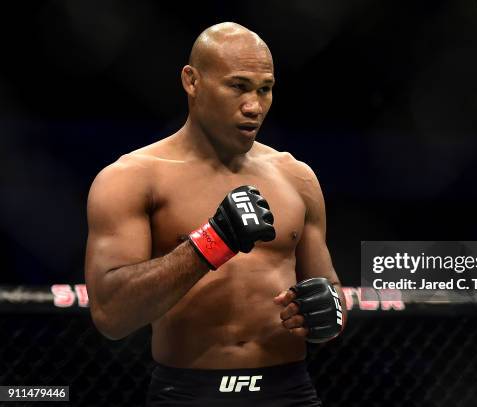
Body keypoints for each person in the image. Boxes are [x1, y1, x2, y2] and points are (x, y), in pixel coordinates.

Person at [84, 22, 347, 406]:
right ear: (192, 81)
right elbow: (111, 316)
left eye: (265, 89)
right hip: (187, 393)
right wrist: (212, 242)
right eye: (238, 86)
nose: (254, 106)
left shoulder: (297, 176)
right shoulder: (133, 178)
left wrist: (326, 315)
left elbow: (330, 293)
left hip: (290, 391)